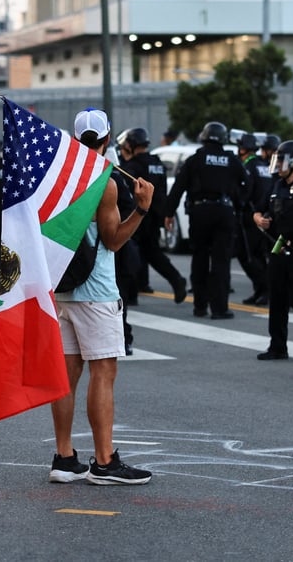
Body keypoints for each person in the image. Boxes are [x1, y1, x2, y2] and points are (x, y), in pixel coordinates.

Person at [49, 108, 153, 486]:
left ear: (77, 139)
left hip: (62, 286)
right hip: (95, 289)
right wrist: (141, 209)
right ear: (108, 139)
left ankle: (63, 457)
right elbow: (113, 240)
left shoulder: (59, 178)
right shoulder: (103, 181)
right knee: (103, 372)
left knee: (66, 374)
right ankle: (105, 461)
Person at [165, 121, 249, 319]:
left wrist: (168, 213)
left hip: (200, 212)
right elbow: (245, 185)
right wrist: (238, 205)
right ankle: (219, 309)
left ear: (203, 137)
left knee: (200, 259)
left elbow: (178, 187)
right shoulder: (231, 160)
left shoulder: (196, 159)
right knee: (221, 262)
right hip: (224, 212)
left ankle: (200, 306)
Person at [254, 140, 293, 361]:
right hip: (278, 248)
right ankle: (277, 346)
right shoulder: (276, 185)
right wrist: (259, 218)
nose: (278, 165)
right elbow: (258, 210)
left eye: (283, 160)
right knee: (277, 301)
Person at [118, 127, 186, 304]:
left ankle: (132, 294)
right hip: (155, 214)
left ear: (131, 145)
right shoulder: (156, 162)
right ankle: (172, 280)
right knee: (151, 252)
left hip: (139, 215)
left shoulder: (132, 166)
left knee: (134, 252)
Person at [234, 132, 271, 306]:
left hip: (250, 217)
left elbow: (245, 192)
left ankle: (265, 289)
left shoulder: (247, 167)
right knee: (259, 255)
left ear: (243, 149)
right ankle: (260, 290)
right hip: (263, 215)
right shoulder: (263, 165)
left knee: (247, 256)